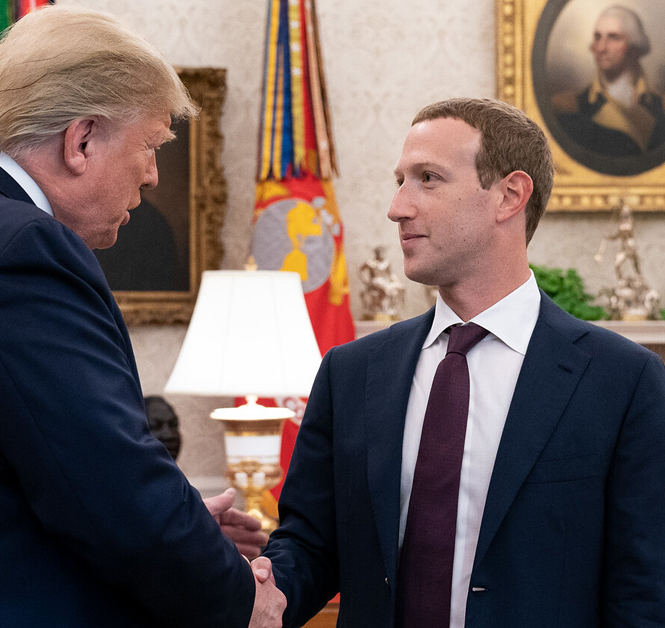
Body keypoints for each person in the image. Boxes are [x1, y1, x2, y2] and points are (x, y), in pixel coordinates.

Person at [0, 6, 284, 627]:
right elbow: (114, 500)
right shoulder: (21, 249)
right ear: (82, 139)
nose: (152, 176)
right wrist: (239, 600)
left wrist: (180, 521)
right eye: (149, 146)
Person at [262, 98, 665, 627]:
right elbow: (311, 544)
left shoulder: (626, 381)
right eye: (400, 179)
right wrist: (259, 590)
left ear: (510, 196)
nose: (396, 207)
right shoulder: (351, 372)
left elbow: (644, 594)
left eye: (427, 178)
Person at [553, 5, 665, 156]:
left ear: (634, 47)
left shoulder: (660, 107)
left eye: (613, 37)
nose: (601, 47)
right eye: (598, 37)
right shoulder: (572, 107)